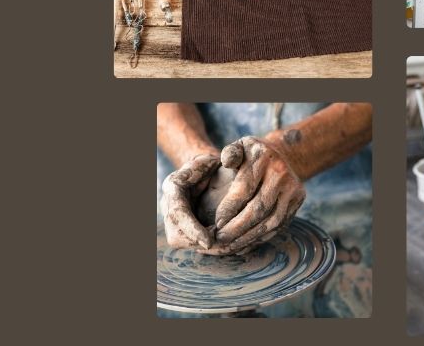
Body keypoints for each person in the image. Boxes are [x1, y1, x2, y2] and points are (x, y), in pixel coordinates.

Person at [156, 102, 373, 317]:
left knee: (348, 297)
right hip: (193, 171)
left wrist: (290, 152)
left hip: (337, 177)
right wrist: (195, 157)